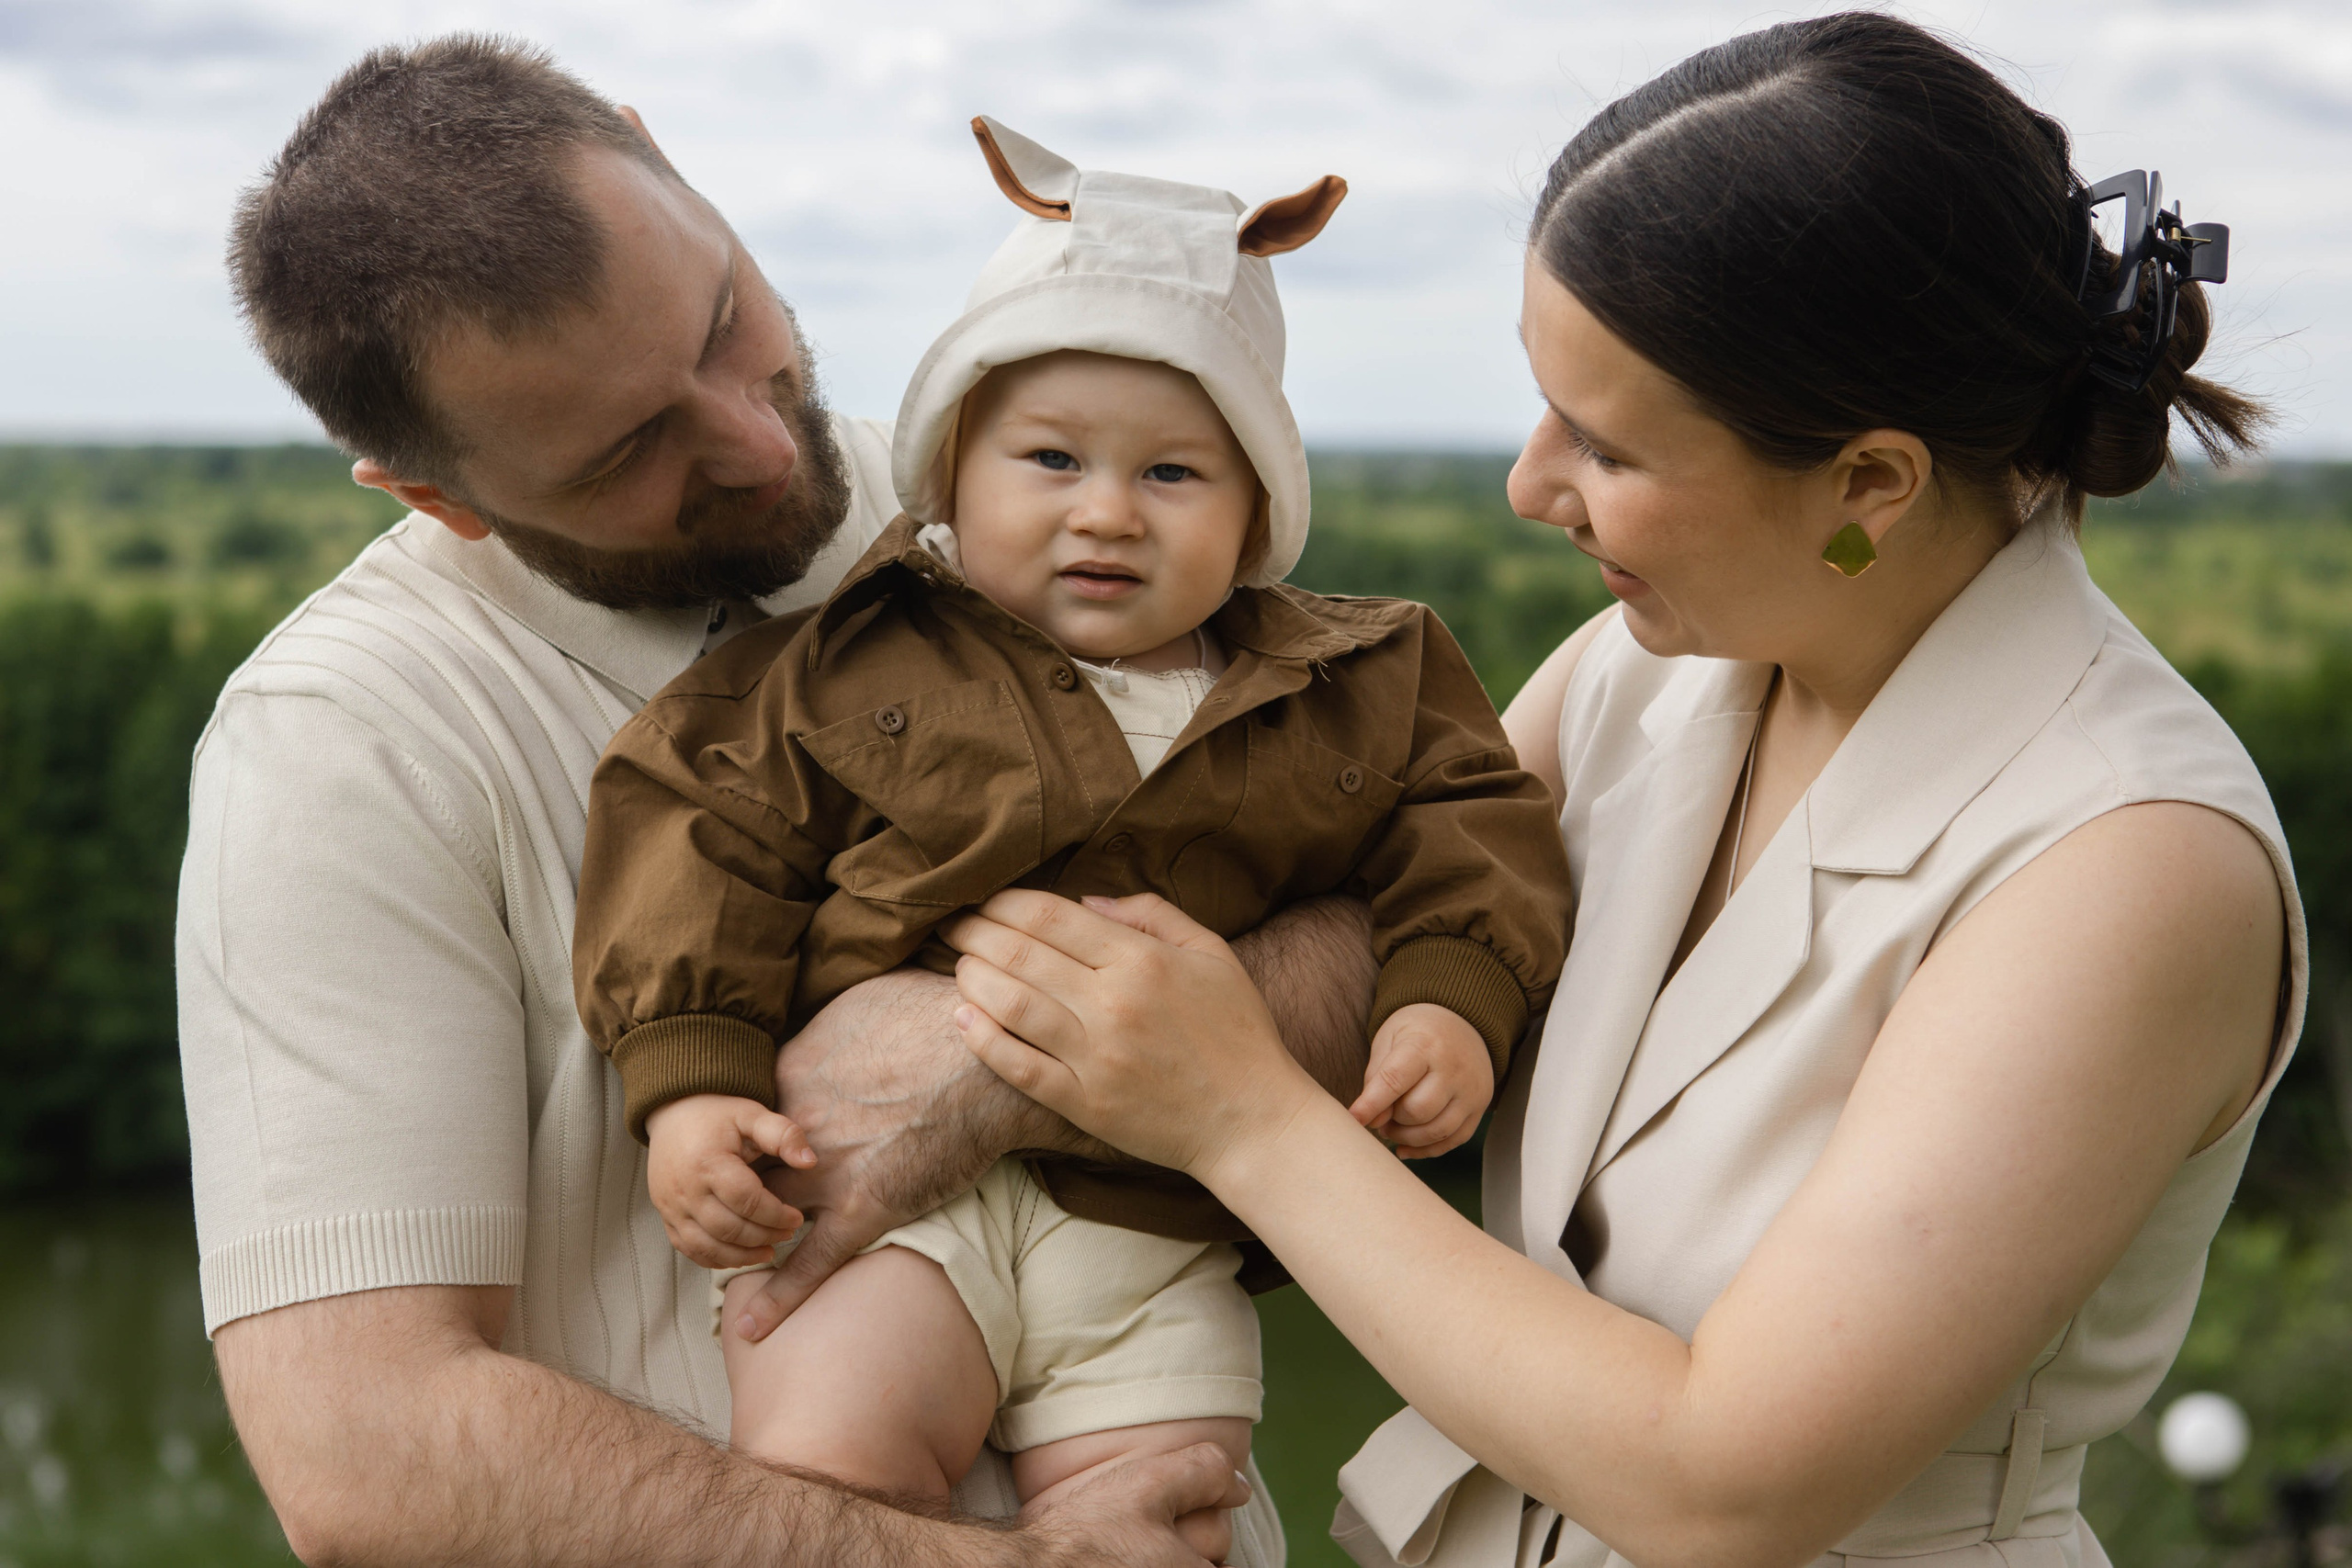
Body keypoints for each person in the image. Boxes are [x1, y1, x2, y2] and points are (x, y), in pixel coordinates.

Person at [929, 15, 2305, 1568]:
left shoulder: (2129, 864)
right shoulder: (1633, 674)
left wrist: (1241, 1119)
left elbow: (1728, 1485)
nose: (1528, 484)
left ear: (1870, 482)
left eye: (1604, 441)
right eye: (1540, 404)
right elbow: (1338, 935)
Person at [178, 38, 1376, 1567]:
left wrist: (998, 1059)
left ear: (657, 149)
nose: (752, 440)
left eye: (724, 319)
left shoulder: (1026, 514)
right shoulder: (342, 751)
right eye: (629, 450)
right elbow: (369, 1457)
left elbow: (1398, 937)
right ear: (438, 496)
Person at [569, 118, 1572, 1552]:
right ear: (952, 472)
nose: (1107, 512)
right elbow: (699, 822)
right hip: (881, 1207)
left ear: (1257, 511)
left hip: (1158, 1226)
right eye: (1049, 459)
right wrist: (690, 1079)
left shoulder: (1364, 680)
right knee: (829, 1482)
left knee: (1160, 1519)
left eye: (1174, 476)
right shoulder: (849, 661)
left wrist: (1450, 1000)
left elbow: (1478, 829)